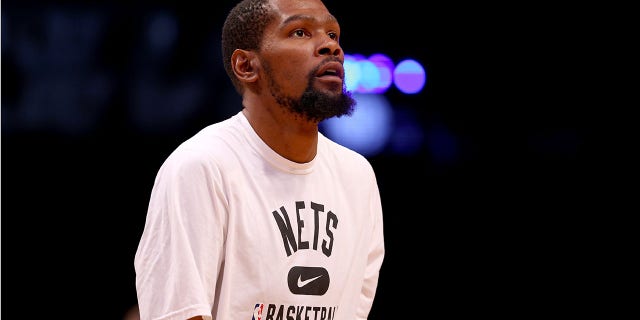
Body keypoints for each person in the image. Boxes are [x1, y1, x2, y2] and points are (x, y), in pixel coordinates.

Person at [134, 0, 385, 319]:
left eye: (333, 34)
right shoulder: (203, 165)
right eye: (300, 32)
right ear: (246, 66)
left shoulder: (357, 176)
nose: (329, 46)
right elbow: (177, 312)